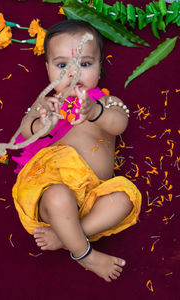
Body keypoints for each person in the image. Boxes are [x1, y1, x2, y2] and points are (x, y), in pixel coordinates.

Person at [12, 19, 142, 282]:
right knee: (58, 196)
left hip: (94, 194)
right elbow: (26, 130)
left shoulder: (106, 102)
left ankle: (65, 235)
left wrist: (95, 113)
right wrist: (45, 123)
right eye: (62, 66)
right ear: (48, 68)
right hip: (52, 190)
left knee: (125, 198)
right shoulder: (45, 104)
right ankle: (85, 255)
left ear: (99, 66)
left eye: (84, 64)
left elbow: (119, 124)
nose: (73, 74)